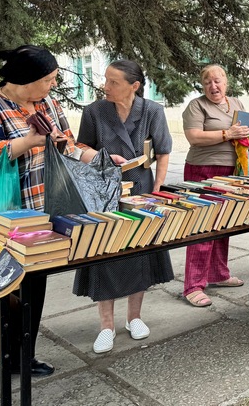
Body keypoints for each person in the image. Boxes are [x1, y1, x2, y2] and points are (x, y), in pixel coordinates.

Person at [0, 45, 103, 377]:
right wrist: (28, 141)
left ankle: (19, 357)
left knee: (33, 286)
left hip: (40, 214)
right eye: (50, 79)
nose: (53, 85)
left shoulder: (47, 103)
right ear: (28, 79)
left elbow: (66, 143)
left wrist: (98, 158)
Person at [73, 60, 174, 354]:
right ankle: (106, 326)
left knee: (139, 252)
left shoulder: (152, 110)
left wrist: (158, 189)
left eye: (113, 82)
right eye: (106, 80)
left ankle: (135, 318)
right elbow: (80, 149)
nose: (106, 86)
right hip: (104, 191)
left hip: (141, 189)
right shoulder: (94, 111)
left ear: (134, 86)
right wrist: (102, 157)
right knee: (106, 253)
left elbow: (164, 151)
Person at [181, 64, 249, 307]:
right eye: (208, 82)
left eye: (218, 80)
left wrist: (246, 137)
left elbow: (244, 134)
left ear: (226, 82)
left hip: (232, 171)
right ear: (203, 85)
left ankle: (218, 274)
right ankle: (193, 285)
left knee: (223, 225)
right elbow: (194, 137)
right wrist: (227, 134)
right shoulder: (197, 106)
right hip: (203, 170)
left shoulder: (237, 103)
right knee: (202, 227)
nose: (214, 86)